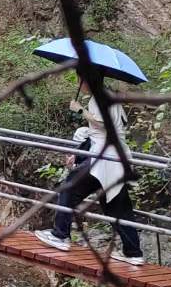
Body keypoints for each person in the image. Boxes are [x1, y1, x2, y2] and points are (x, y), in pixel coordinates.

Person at [34, 84, 143, 262]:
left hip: (103, 158)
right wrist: (79, 157)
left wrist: (79, 110)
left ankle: (60, 235)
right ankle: (133, 253)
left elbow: (102, 125)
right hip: (116, 159)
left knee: (68, 189)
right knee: (118, 208)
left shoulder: (99, 97)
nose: (79, 82)